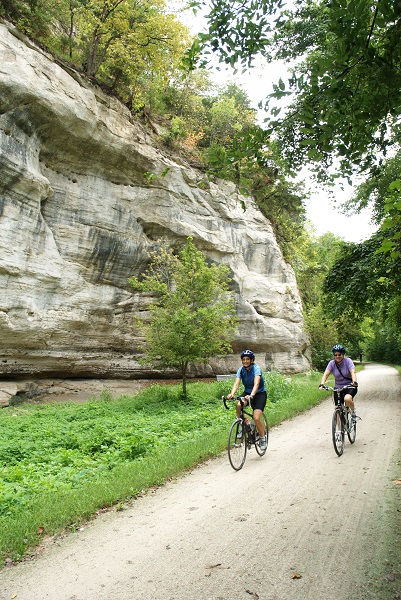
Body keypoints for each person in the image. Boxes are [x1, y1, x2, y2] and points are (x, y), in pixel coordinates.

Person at [227, 349, 267, 449]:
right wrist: (232, 394)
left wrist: (252, 395)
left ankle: (262, 438)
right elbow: (237, 383)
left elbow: (256, 383)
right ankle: (243, 424)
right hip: (247, 393)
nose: (245, 361)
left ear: (251, 360)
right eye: (243, 359)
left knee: (257, 418)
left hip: (259, 394)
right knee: (239, 405)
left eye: (247, 359)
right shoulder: (241, 370)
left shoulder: (256, 368)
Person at [319, 344, 358, 421]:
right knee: (337, 408)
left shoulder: (348, 361)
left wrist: (354, 382)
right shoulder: (331, 363)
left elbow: (353, 372)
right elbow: (326, 374)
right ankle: (339, 431)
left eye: (339, 354)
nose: (337, 356)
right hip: (338, 388)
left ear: (343, 354)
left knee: (347, 399)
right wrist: (322, 384)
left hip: (349, 386)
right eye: (335, 355)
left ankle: (353, 413)